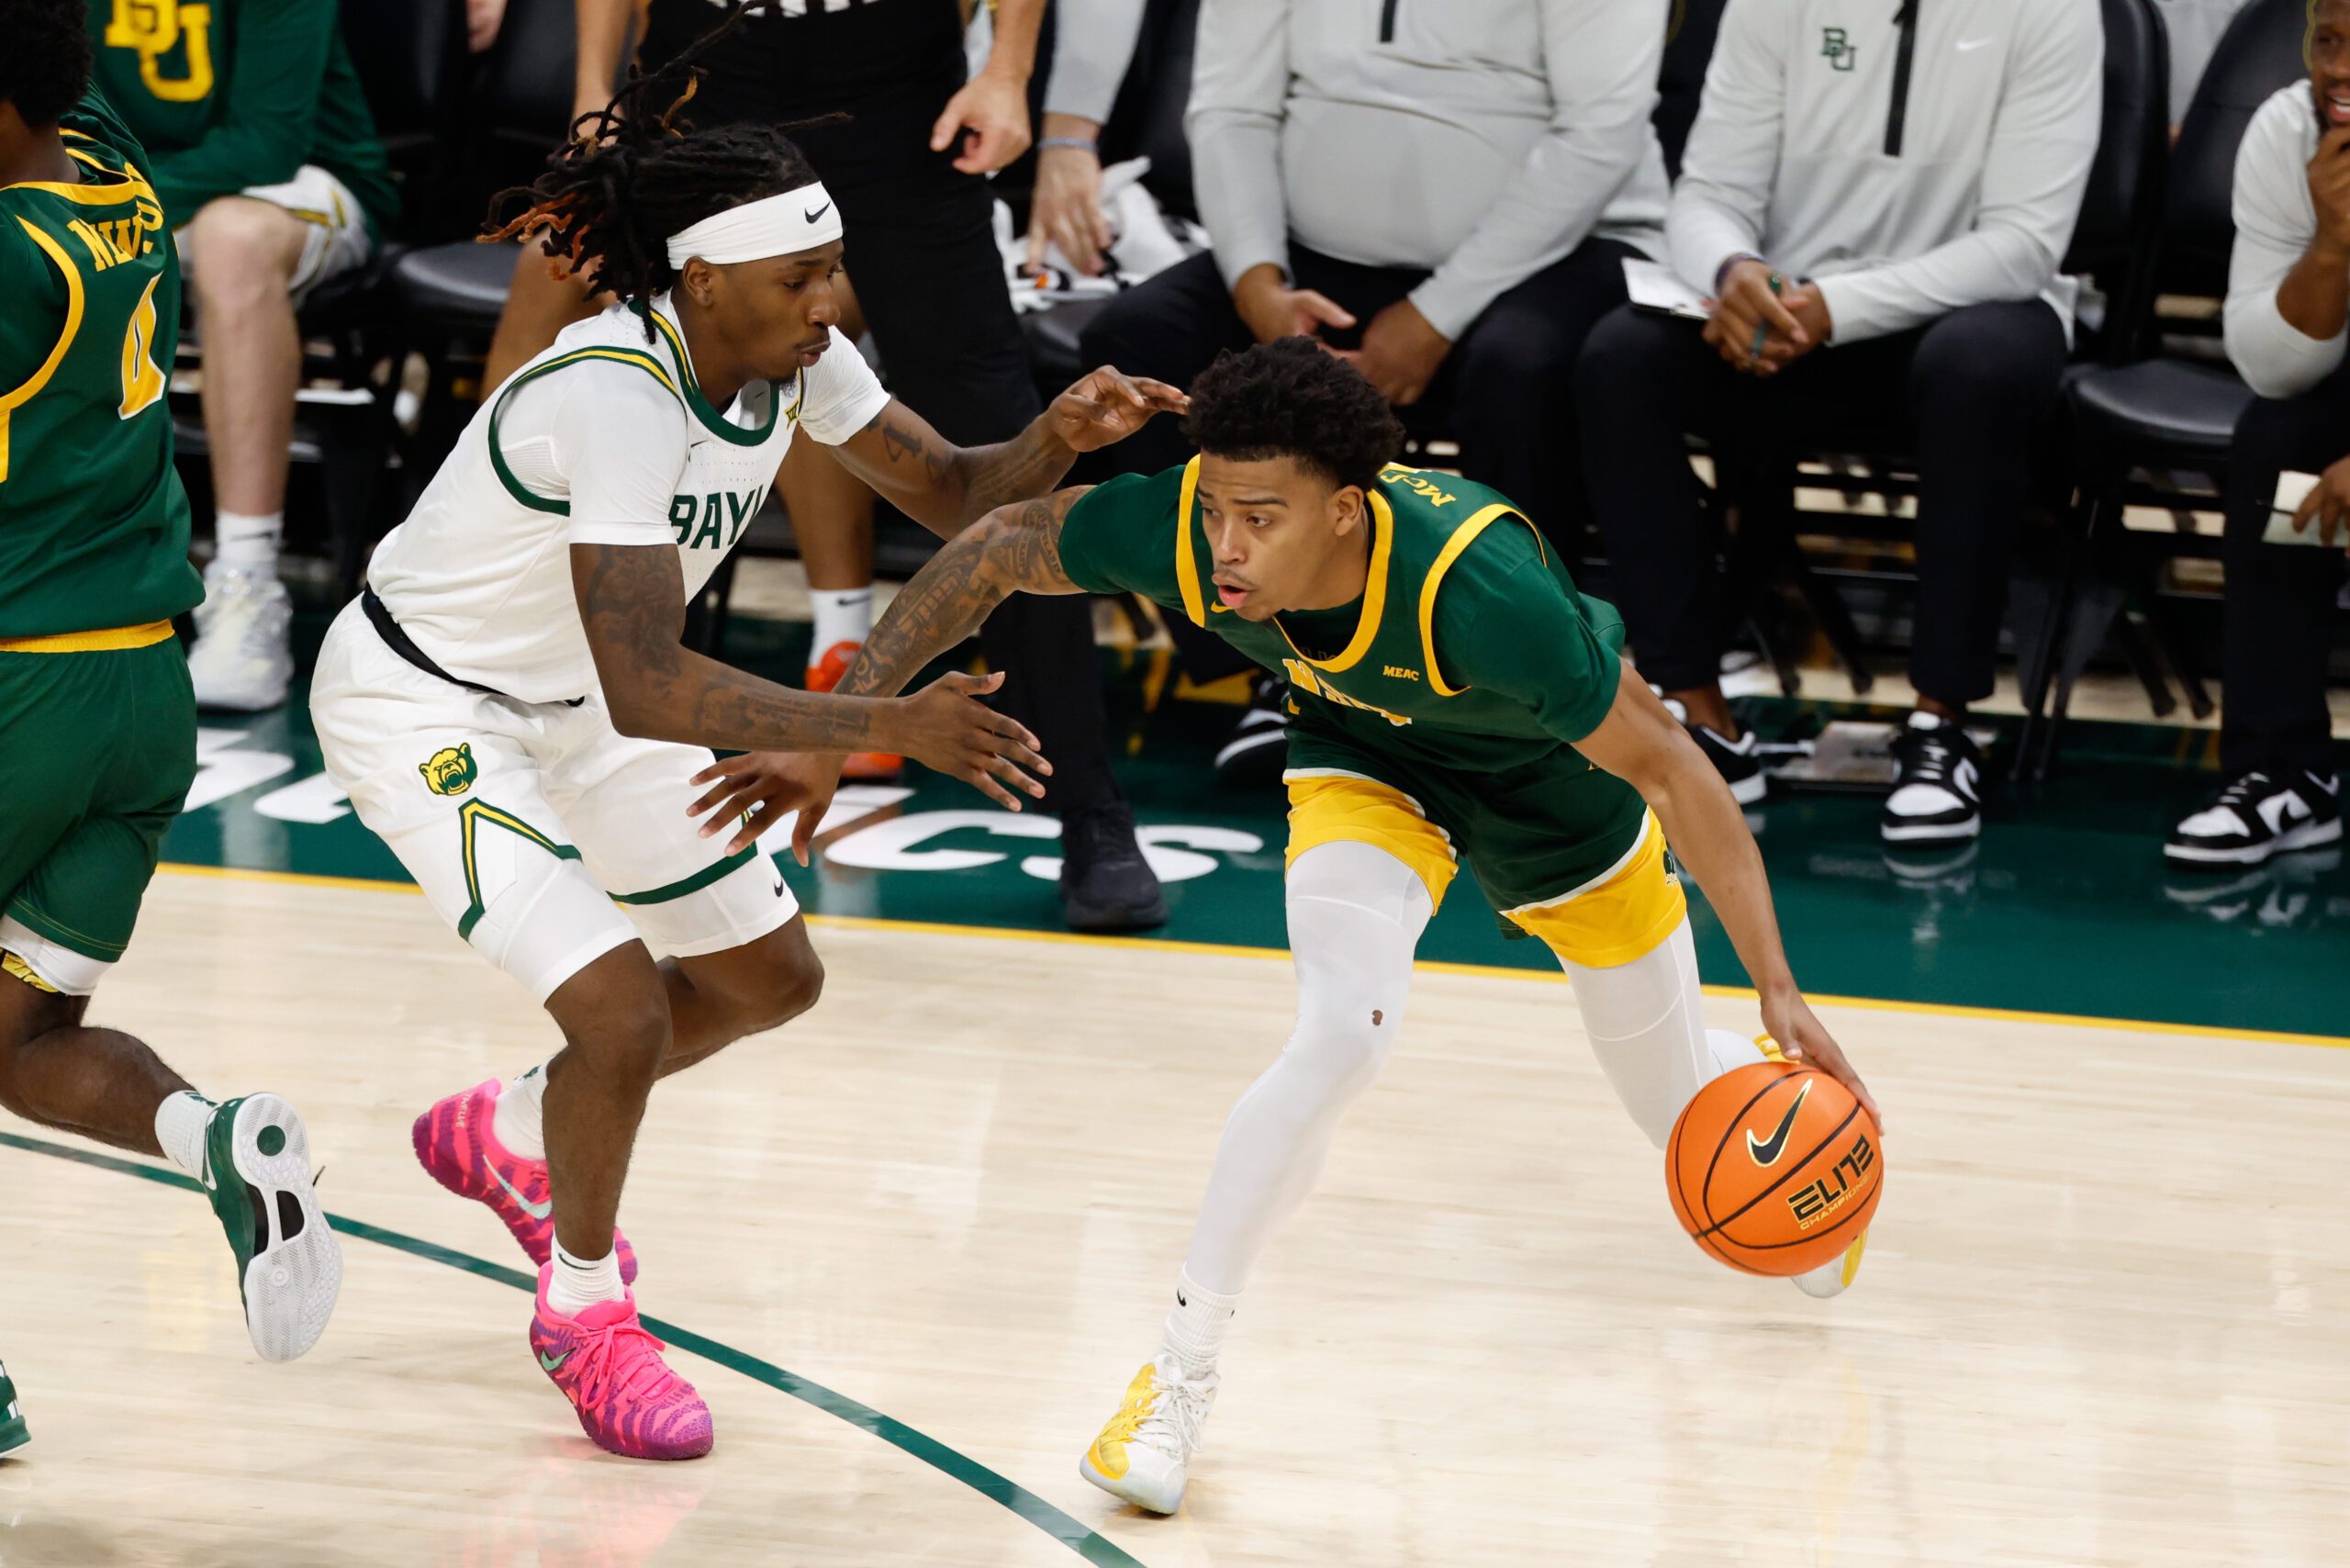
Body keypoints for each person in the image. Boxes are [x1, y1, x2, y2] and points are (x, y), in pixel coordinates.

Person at [779, 339, 1880, 1514]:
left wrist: (1775, 984)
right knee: (1339, 1034)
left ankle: (1769, 1088)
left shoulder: (1486, 592)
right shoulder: (1194, 533)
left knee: (1710, 1153)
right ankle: (1177, 1373)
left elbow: (1672, 769)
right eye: (1214, 511)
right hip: (1367, 763)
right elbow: (998, 545)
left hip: (1553, 794)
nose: (1227, 547)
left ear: (1347, 513)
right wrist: (836, 721)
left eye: (1261, 518)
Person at [309, 40, 1181, 1462]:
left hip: (583, 698)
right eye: (804, 277)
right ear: (704, 280)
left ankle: (513, 1129)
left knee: (771, 978)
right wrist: (883, 722)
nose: (833, 301)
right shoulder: (610, 392)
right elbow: (652, 684)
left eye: (834, 268)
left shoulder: (796, 358)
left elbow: (954, 488)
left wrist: (1055, 438)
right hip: (436, 709)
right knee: (623, 1015)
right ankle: (583, 1314)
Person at [483, 0, 1169, 933]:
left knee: (994, 429)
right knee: (584, 315)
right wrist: (594, 85)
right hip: (707, 70)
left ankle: (1090, 811)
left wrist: (1007, 68)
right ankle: (484, 702)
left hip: (891, 79)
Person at [0, 2, 343, 1415]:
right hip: (145, 694)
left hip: (23, 685)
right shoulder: (111, 162)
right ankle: (214, 1135)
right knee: (20, 1046)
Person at [1071, 0, 1672, 773]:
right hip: (1315, 251)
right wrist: (1258, 283)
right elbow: (1230, 105)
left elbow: (1601, 133)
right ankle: (1283, 669)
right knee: (1138, 342)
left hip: (1554, 253)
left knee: (1520, 368)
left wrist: (1435, 316)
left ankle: (1516, 700)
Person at [1575, 0, 2102, 847]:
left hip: (1968, 312)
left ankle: (1941, 726)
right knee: (1620, 360)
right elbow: (1709, 191)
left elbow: (2023, 243)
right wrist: (1732, 268)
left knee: (1978, 370)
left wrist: (1838, 308)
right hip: (1790, 314)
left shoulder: (2054, 12)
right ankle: (1698, 716)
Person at [84, 0, 397, 711]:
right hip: (133, 190)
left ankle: (246, 585)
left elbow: (267, 141)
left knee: (232, 241)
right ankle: (51, 569)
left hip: (299, 186)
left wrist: (94, 206)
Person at [2167, 0, 2350, 866]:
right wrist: (2333, 244)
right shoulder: (2286, 130)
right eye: (2330, 41)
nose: (2342, 68)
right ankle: (2286, 772)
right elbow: (2271, 366)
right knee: (2277, 447)